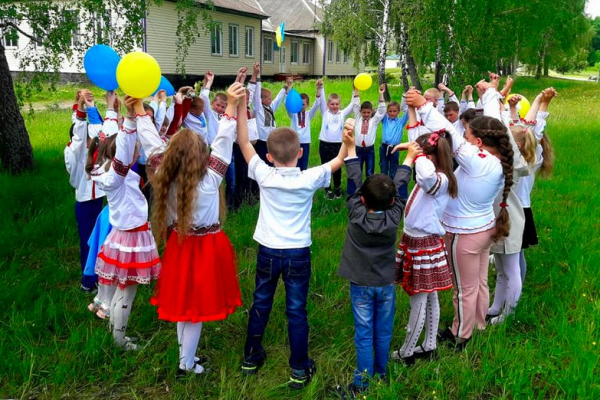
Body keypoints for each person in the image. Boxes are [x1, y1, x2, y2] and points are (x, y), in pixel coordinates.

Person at [236, 91, 347, 389]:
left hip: (268, 251)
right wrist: (347, 140)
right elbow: (338, 160)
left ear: (269, 156)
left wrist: (241, 106)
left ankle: (250, 358)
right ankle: (299, 369)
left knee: (261, 303)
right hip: (298, 253)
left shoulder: (264, 174)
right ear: (300, 153)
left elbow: (244, 143)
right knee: (296, 311)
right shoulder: (309, 177)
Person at [138, 83, 245, 375]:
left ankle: (185, 357)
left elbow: (151, 144)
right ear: (201, 155)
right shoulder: (210, 180)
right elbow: (223, 142)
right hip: (206, 250)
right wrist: (231, 106)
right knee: (195, 310)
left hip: (180, 246)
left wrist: (138, 111)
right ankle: (186, 364)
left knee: (184, 306)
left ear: (171, 156)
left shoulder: (165, 177)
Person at [405, 79, 514, 350]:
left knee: (463, 289)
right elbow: (470, 130)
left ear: (479, 141)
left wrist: (424, 106)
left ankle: (461, 335)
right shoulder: (497, 161)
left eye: (467, 134)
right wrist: (491, 94)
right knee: (479, 283)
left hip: (464, 234)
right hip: (484, 228)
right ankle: (478, 323)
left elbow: (447, 133)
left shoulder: (479, 162)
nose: (463, 137)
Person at [336, 119, 415, 396]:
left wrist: (350, 148)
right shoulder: (395, 216)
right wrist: (410, 158)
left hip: (360, 283)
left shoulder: (355, 212)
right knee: (383, 331)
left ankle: (362, 384)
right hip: (385, 283)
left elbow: (354, 181)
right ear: (393, 201)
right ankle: (380, 373)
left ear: (362, 199)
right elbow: (401, 185)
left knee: (364, 333)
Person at [87, 92, 161, 350]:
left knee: (122, 289)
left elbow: (113, 143)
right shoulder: (117, 175)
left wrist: (123, 117)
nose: (137, 153)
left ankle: (115, 332)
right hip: (131, 239)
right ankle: (119, 340)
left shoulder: (105, 170)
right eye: (135, 150)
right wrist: (129, 120)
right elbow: (123, 151)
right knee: (127, 291)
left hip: (123, 236)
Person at [391, 103, 456, 365]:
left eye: (423, 155)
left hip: (422, 244)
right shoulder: (436, 173)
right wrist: (416, 147)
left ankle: (407, 352)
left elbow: (426, 178)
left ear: (430, 158)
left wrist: (416, 155)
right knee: (429, 295)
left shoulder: (439, 180)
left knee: (418, 298)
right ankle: (429, 345)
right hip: (417, 241)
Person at [65, 89, 106, 294]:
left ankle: (98, 275)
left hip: (97, 200)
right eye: (89, 137)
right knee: (89, 242)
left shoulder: (89, 152)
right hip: (85, 203)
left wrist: (84, 104)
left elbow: (101, 133)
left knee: (99, 239)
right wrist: (83, 110)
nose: (93, 140)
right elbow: (81, 135)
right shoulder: (75, 152)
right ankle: (88, 281)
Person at [317, 83, 359, 199]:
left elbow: (352, 104)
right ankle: (327, 188)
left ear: (340, 104)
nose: (334, 106)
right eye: (332, 104)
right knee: (326, 167)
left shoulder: (342, 114)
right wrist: (321, 88)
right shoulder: (325, 113)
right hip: (324, 144)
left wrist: (355, 92)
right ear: (328, 105)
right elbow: (322, 100)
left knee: (337, 166)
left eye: (337, 104)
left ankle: (337, 187)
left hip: (338, 145)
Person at [248, 62, 289, 165]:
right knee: (262, 163)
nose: (271, 100)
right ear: (262, 100)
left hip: (271, 140)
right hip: (261, 141)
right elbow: (257, 94)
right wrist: (258, 76)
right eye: (269, 98)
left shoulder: (270, 108)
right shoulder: (259, 108)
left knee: (271, 161)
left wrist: (285, 87)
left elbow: (278, 100)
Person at [287, 79, 323, 171]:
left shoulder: (308, 114)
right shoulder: (293, 114)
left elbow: (317, 105)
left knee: (304, 165)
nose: (301, 106)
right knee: (295, 164)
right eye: (299, 104)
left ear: (307, 105)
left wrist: (318, 89)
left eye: (303, 104)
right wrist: (289, 87)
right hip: (295, 143)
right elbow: (287, 104)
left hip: (305, 143)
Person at [353, 84, 386, 178]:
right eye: (364, 112)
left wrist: (381, 94)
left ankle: (368, 187)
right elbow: (356, 105)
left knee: (369, 173)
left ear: (372, 112)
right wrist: (356, 91)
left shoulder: (374, 121)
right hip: (358, 150)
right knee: (358, 172)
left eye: (368, 112)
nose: (366, 114)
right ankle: (358, 187)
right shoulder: (357, 119)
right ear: (360, 112)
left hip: (369, 151)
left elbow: (381, 111)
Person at [379, 99, 408, 184]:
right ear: (387, 112)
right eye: (390, 111)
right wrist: (381, 96)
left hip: (395, 148)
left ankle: (392, 184)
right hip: (384, 147)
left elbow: (408, 112)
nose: (392, 113)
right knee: (383, 166)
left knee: (393, 167)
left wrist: (406, 97)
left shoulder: (401, 122)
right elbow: (381, 109)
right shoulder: (385, 120)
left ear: (398, 112)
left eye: (394, 111)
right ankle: (383, 184)